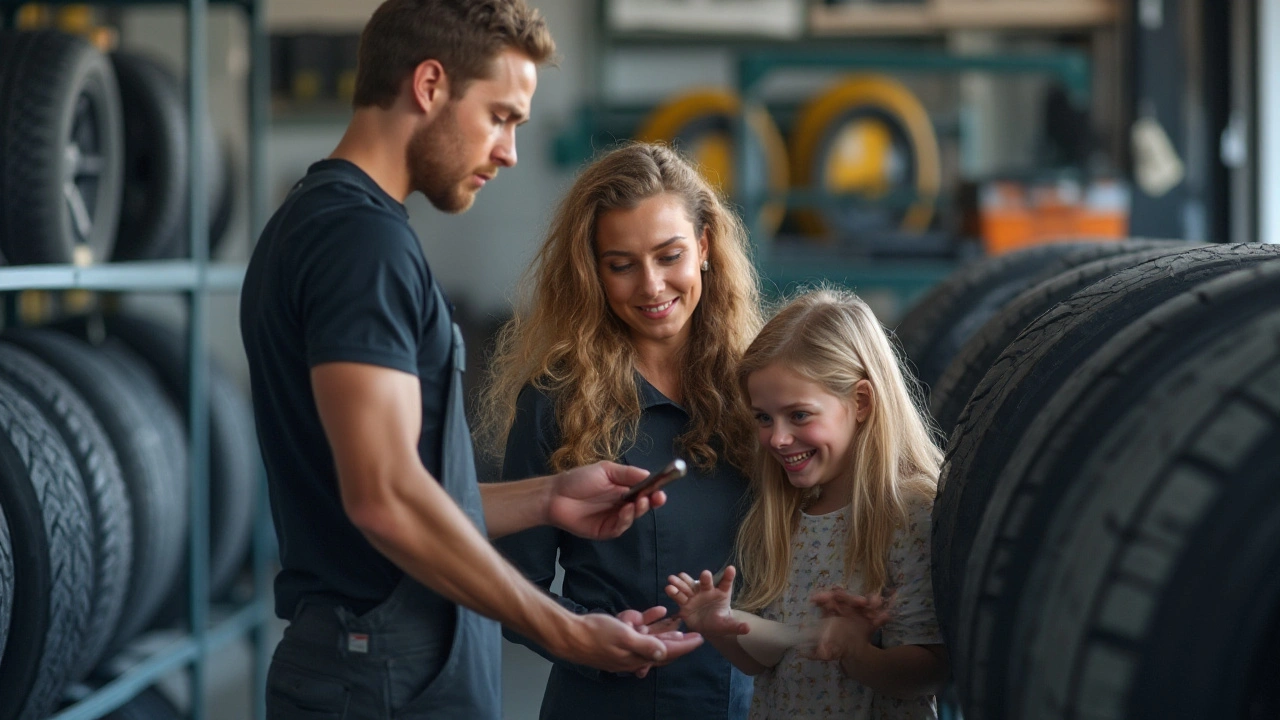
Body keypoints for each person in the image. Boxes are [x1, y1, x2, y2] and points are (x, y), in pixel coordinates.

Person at [239, 3, 702, 719]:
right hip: (380, 668)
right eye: (501, 116)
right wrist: (567, 630)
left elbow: (376, 491)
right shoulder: (361, 245)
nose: (509, 150)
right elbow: (385, 500)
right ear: (429, 85)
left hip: (376, 659)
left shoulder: (321, 222)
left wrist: (546, 499)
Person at [476, 142, 764, 719]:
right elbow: (511, 588)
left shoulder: (762, 389)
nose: (652, 286)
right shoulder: (556, 400)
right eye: (622, 265)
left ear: (704, 248)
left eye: (669, 255)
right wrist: (585, 637)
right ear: (593, 272)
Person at [665, 288, 950, 719]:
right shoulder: (788, 512)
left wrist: (857, 653)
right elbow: (769, 656)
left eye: (799, 415)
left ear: (860, 402)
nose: (777, 438)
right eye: (764, 417)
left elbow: (929, 670)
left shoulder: (907, 513)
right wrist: (721, 626)